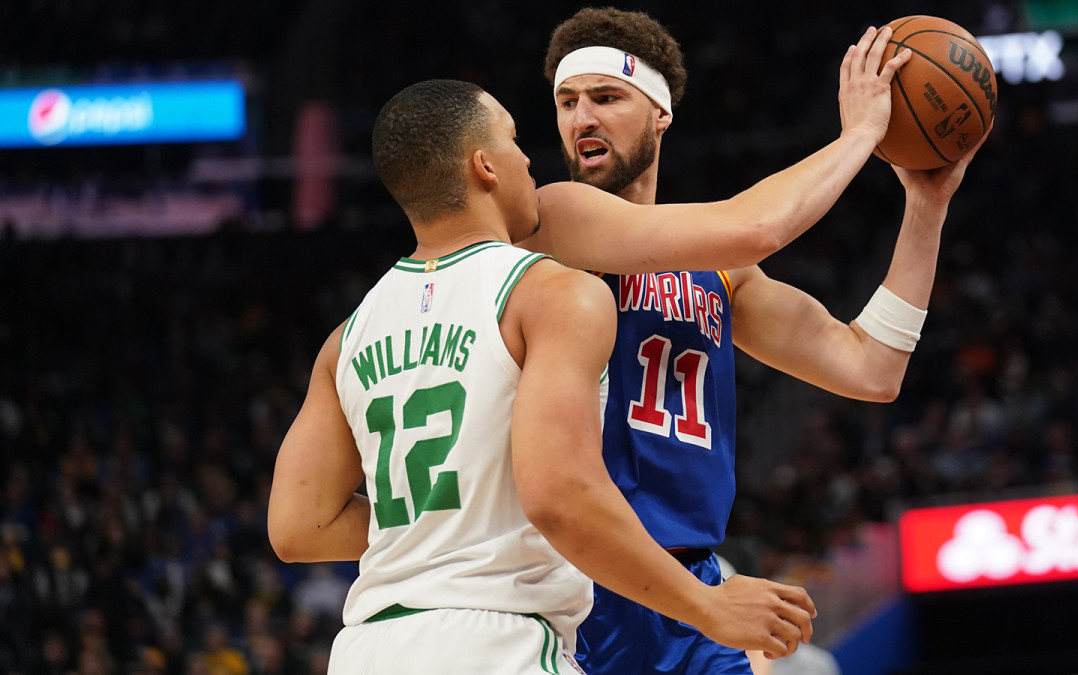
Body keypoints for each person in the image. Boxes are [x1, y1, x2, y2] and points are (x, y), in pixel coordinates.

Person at [266, 79, 817, 674]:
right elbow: (560, 494)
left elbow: (298, 527)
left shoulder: (347, 336)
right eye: (512, 138)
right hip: (500, 642)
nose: (529, 158)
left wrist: (450, 514)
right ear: (485, 166)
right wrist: (707, 607)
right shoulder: (552, 292)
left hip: (368, 649)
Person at [523, 8, 989, 675]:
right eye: (568, 102)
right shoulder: (554, 221)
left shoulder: (719, 272)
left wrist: (926, 206)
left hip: (697, 586)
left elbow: (872, 367)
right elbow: (758, 227)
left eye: (606, 97)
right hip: (589, 580)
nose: (581, 119)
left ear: (660, 113)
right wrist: (861, 134)